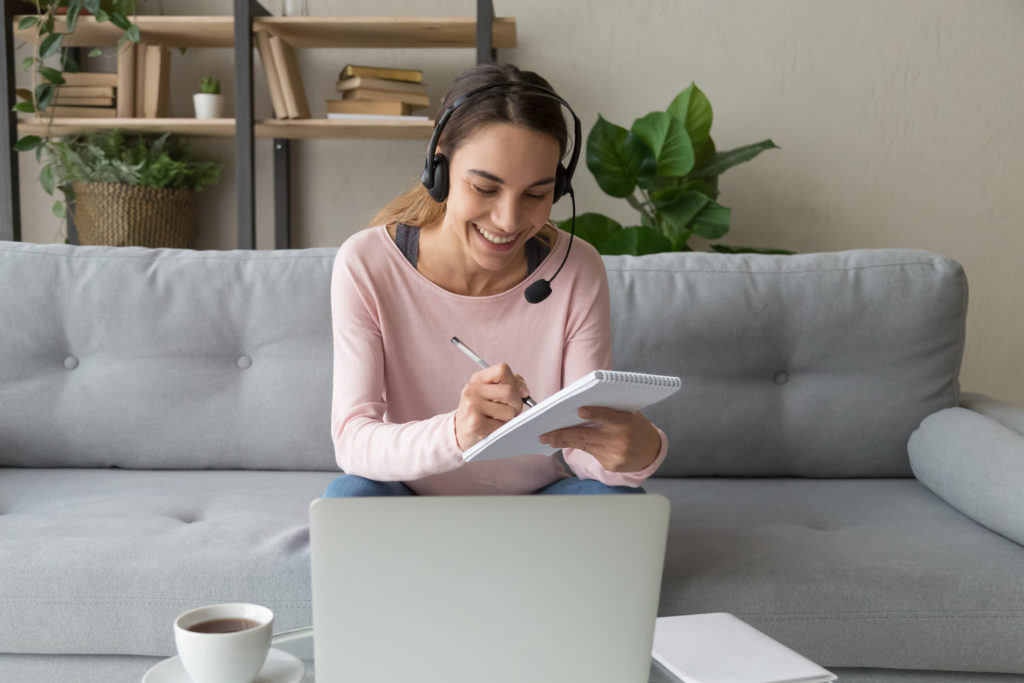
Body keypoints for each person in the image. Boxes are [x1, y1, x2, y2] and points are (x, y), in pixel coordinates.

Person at [325, 63, 668, 497]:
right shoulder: (368, 263)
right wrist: (455, 433)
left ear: (558, 189)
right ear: (439, 169)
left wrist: (640, 453)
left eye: (536, 194)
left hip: (539, 502)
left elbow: (581, 444)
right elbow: (354, 440)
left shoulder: (578, 268)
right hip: (408, 501)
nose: (508, 221)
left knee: (617, 502)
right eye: (485, 189)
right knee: (349, 498)